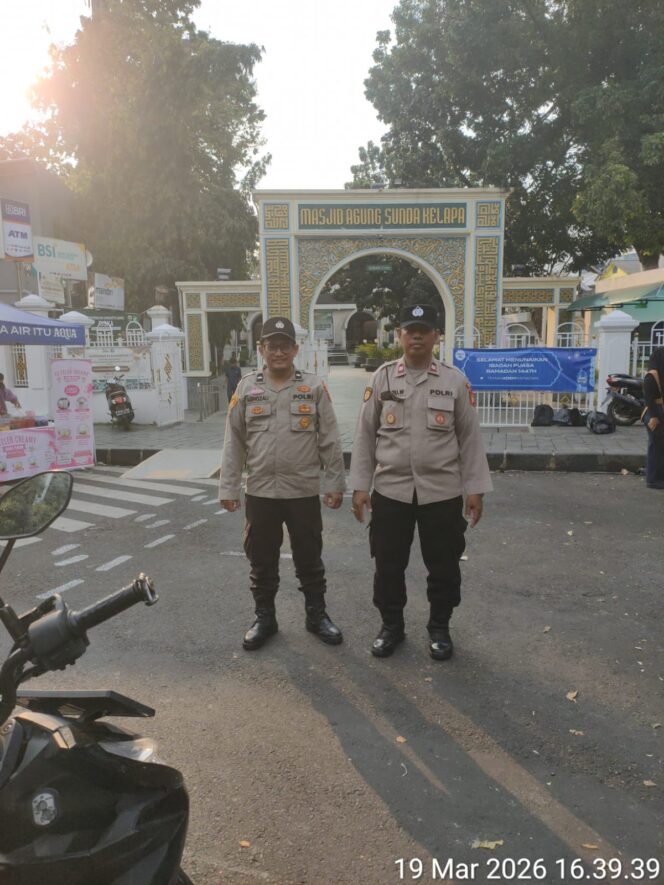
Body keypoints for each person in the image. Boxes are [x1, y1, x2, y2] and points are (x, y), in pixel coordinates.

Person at [350, 303, 492, 661]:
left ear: (436, 336)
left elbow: (470, 438)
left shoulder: (454, 381)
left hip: (441, 492)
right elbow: (365, 435)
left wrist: (474, 489)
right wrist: (360, 486)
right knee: (388, 566)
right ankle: (391, 627)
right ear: (399, 335)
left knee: (444, 566)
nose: (416, 336)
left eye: (424, 330)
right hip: (391, 490)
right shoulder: (382, 378)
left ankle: (439, 628)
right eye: (409, 330)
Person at [218, 316, 345, 650]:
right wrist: (228, 487)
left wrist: (334, 483)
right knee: (261, 560)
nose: (278, 352)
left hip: (302, 490)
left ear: (295, 349)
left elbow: (330, 439)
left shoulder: (313, 387)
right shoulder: (247, 387)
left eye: (284, 346)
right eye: (271, 346)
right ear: (261, 349)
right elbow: (234, 441)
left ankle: (316, 615)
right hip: (261, 491)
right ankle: (265, 618)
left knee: (309, 557)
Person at [643, 346, 664, 489]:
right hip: (654, 412)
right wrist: (654, 417)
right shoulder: (652, 376)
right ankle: (652, 479)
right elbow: (649, 398)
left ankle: (658, 476)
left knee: (660, 445)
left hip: (659, 411)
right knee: (655, 445)